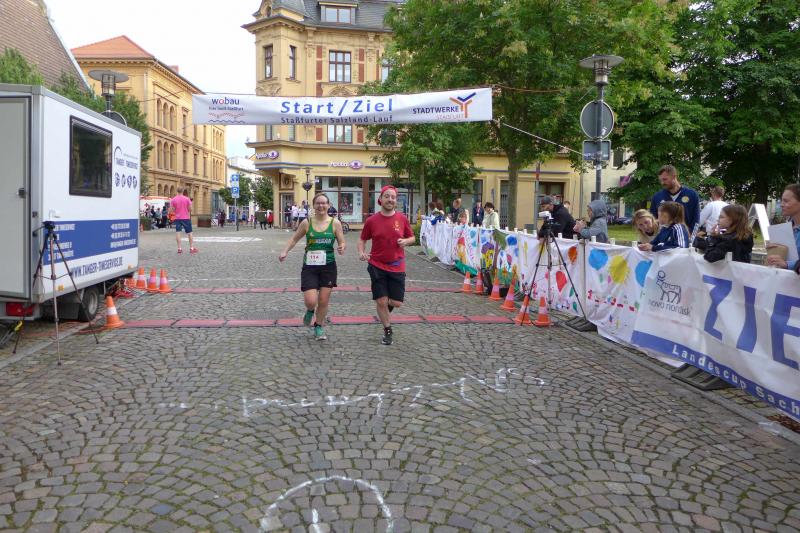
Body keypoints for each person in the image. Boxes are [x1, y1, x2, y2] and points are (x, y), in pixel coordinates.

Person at [279, 193, 346, 341]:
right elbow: (294, 239)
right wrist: (285, 251)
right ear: (314, 206)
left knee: (323, 300)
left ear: (328, 205)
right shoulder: (306, 222)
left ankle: (319, 326)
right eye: (318, 203)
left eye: (324, 203)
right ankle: (310, 310)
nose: (321, 206)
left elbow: (342, 241)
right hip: (310, 266)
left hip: (328, 266)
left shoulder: (335, 223)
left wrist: (342, 247)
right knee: (311, 301)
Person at [359, 185, 415, 346]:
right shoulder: (372, 220)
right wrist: (361, 252)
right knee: (381, 301)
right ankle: (387, 330)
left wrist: (406, 241)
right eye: (387, 196)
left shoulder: (402, 219)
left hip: (397, 265)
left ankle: (383, 310)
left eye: (393, 197)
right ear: (380, 199)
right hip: (376, 265)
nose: (390, 199)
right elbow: (362, 239)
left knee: (396, 303)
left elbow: (412, 238)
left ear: (396, 201)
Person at [650, 164, 701, 233]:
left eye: (665, 179)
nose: (662, 183)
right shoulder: (657, 197)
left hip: (686, 236)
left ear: (674, 177)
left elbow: (696, 220)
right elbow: (653, 220)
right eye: (660, 180)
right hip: (664, 237)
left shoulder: (692, 195)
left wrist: (691, 237)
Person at [766, 184, 800, 270]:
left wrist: (787, 264)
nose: (781, 204)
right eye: (782, 201)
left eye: (786, 201)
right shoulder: (784, 230)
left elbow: (785, 263)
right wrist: (774, 251)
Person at [170, 188, 196, 253]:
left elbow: (172, 210)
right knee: (190, 233)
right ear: (182, 191)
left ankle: (179, 248)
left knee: (178, 232)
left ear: (177, 191)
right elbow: (190, 209)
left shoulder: (173, 200)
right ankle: (191, 248)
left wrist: (177, 210)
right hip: (186, 218)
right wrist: (186, 209)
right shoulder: (187, 199)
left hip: (177, 218)